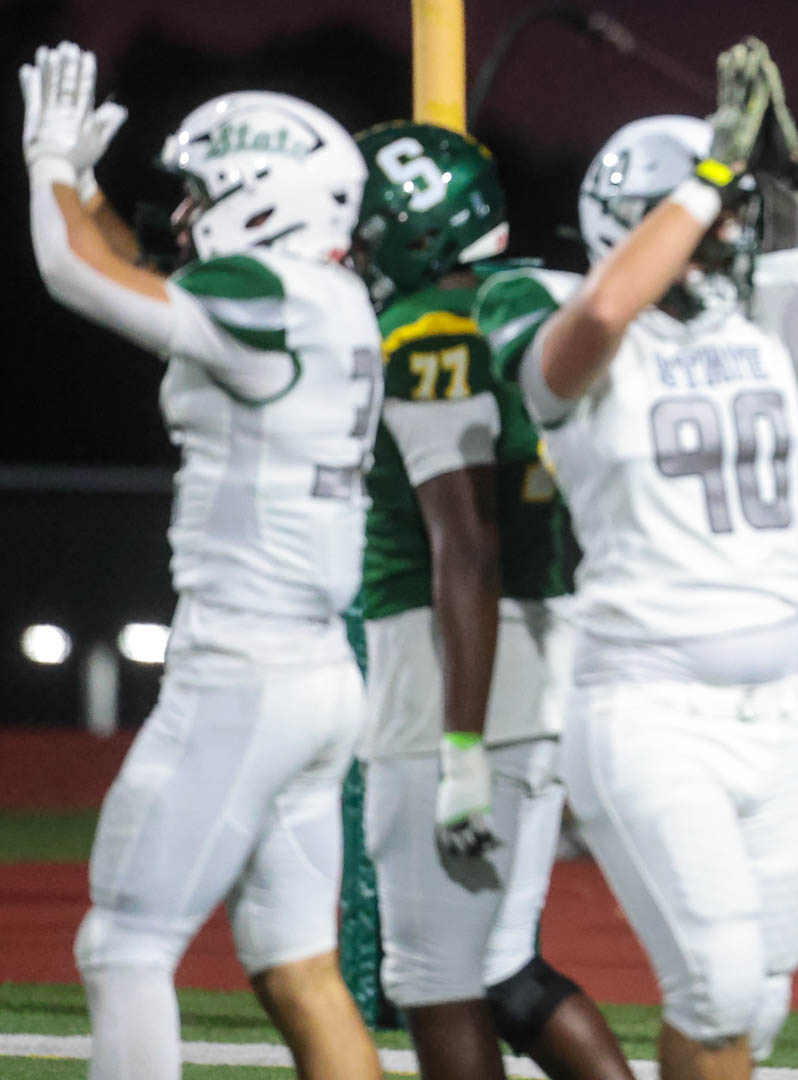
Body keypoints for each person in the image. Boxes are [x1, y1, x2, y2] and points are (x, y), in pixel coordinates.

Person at [473, 39, 798, 1080]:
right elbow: (605, 308)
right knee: (713, 984)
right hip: (648, 708)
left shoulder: (759, 334)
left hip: (781, 713)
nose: (725, 244)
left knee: (757, 1001)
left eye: (735, 223)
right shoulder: (566, 339)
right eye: (708, 223)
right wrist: (711, 175)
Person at [21, 43, 381, 1080]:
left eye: (202, 193)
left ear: (262, 198)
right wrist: (85, 189)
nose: (183, 215)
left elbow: (77, 275)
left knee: (124, 945)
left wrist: (46, 164)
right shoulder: (322, 297)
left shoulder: (267, 294)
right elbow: (140, 278)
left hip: (243, 672)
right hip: (316, 674)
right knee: (298, 970)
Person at [350, 121, 635, 1080]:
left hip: (459, 675)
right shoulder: (537, 299)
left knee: (434, 978)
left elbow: (465, 544)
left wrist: (461, 744)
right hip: (547, 656)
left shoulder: (431, 327)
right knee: (504, 968)